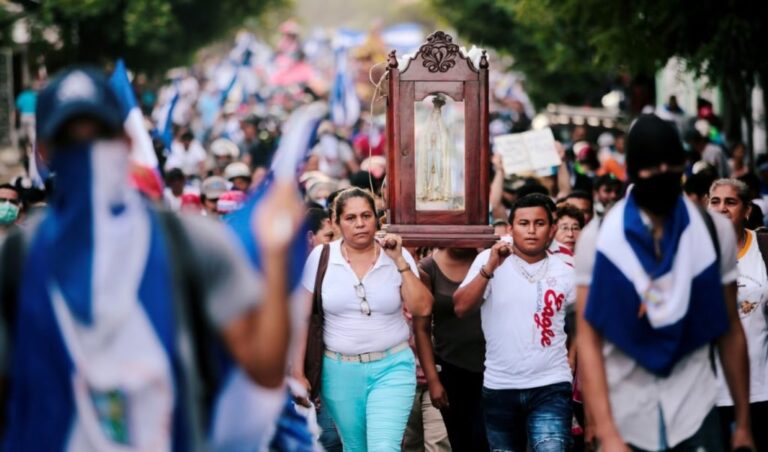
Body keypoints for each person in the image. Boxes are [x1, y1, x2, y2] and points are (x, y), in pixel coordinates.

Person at [0, 67, 302, 450]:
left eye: (101, 135)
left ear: (125, 142)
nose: (90, 153)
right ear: (44, 152)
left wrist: (276, 258)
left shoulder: (190, 243)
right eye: (70, 141)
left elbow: (262, 367)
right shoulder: (16, 260)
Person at [575, 114, 753, 451]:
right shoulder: (599, 241)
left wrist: (743, 424)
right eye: (651, 170)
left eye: (671, 168)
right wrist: (607, 430)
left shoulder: (713, 233)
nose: (661, 177)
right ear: (632, 172)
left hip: (695, 411)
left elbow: (730, 327)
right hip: (626, 415)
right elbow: (589, 338)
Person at [297, 187, 433, 451]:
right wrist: (297, 373)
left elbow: (422, 308)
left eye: (366, 216)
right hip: (338, 371)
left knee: (384, 447)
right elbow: (302, 319)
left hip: (392, 367)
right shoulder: (321, 257)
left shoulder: (397, 255)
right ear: (335, 223)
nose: (360, 224)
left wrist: (399, 261)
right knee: (355, 447)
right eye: (350, 218)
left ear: (377, 219)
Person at [454, 194, 575, 451]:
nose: (531, 230)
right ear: (510, 228)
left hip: (551, 385)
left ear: (552, 229)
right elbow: (461, 307)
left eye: (539, 223)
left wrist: (572, 358)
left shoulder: (565, 271)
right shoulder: (488, 261)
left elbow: (586, 322)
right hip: (500, 386)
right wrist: (489, 268)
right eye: (523, 223)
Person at [708, 178, 768, 451]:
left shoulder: (764, 248)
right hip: (709, 392)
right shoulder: (694, 252)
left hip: (761, 387)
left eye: (731, 202)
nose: (722, 209)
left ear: (746, 210)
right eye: (715, 202)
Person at [415, 248, 488, 452]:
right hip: (450, 369)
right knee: (460, 441)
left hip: (493, 369)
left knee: (485, 440)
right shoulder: (428, 268)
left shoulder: (489, 259)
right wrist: (433, 380)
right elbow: (421, 329)